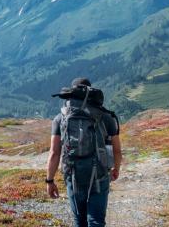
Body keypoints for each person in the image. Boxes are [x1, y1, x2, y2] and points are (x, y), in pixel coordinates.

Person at [46, 77, 122, 227]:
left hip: (73, 174)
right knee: (96, 221)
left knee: (79, 221)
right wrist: (116, 168)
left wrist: (49, 180)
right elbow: (117, 150)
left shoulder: (60, 118)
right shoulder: (105, 116)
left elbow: (54, 152)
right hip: (99, 174)